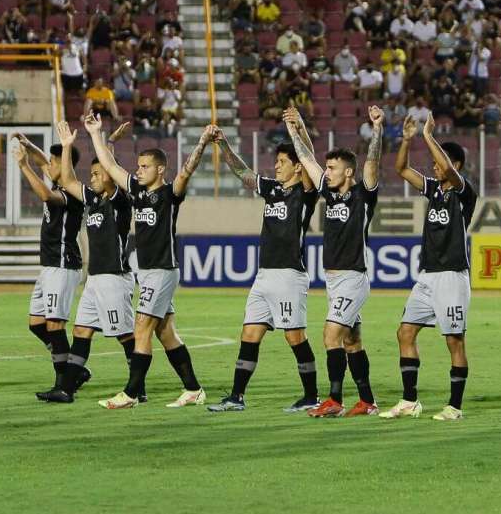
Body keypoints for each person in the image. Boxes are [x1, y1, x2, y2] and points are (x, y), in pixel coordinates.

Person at [86, 114, 214, 409]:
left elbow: (187, 170)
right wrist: (95, 133)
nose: (139, 171)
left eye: (145, 167)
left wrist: (202, 143)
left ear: (160, 169)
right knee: (165, 332)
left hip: (162, 270)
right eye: (138, 166)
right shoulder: (138, 193)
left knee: (141, 326)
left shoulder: (170, 194)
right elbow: (110, 166)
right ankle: (193, 389)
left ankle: (131, 393)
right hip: (148, 272)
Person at [206, 123, 321, 413]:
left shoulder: (305, 193)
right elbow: (242, 172)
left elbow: (309, 158)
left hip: (289, 275)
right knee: (249, 334)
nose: (276, 166)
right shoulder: (271, 189)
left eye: (282, 162)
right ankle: (236, 396)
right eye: (276, 161)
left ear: (297, 167)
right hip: (264, 275)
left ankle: (311, 396)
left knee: (294, 337)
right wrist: (223, 145)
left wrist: (300, 129)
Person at [285, 106, 383, 418]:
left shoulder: (363, 196)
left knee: (330, 335)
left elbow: (372, 162)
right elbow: (307, 161)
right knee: (352, 341)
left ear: (349, 172)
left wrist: (377, 129)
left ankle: (334, 400)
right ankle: (367, 400)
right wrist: (293, 130)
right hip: (333, 280)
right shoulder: (329, 191)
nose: (326, 172)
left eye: (333, 168)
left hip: (353, 277)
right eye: (327, 168)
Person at [38, 121, 143, 404]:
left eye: (97, 174)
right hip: (95, 278)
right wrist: (69, 144)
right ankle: (66, 389)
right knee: (81, 330)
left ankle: (137, 388)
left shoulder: (120, 201)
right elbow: (69, 182)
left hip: (114, 277)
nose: (92, 177)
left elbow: (111, 167)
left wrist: (106, 143)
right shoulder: (93, 201)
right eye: (92, 173)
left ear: (110, 177)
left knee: (124, 335)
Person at [381, 113, 477, 421]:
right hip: (428, 276)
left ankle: (455, 406)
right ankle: (410, 401)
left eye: (440, 162)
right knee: (405, 332)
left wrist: (428, 136)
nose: (434, 167)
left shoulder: (464, 192)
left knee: (454, 340)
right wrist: (407, 140)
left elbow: (447, 167)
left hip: (452, 276)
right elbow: (401, 169)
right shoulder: (434, 189)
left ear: (456, 165)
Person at [12, 133, 86, 399]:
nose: (48, 167)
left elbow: (44, 194)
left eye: (54, 163)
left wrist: (23, 165)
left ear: (64, 165)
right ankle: (71, 370)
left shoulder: (71, 191)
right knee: (36, 323)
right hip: (50, 266)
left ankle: (63, 385)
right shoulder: (61, 180)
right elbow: (44, 162)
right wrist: (30, 146)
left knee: (55, 326)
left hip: (63, 265)